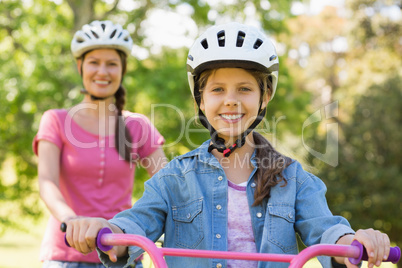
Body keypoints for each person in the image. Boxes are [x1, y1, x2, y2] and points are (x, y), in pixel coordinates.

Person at [63, 22, 390, 268]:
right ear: (200, 101)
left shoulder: (292, 178)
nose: (230, 101)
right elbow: (136, 223)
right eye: (217, 90)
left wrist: (354, 241)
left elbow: (325, 229)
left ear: (265, 97)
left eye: (244, 89)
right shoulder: (175, 177)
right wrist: (106, 230)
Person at [33, 20, 166, 268]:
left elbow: (168, 185)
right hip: (66, 253)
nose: (102, 71)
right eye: (94, 62)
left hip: (121, 253)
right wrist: (71, 221)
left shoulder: (137, 125)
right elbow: (47, 181)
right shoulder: (56, 120)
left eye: (112, 64)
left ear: (123, 70)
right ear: (80, 66)